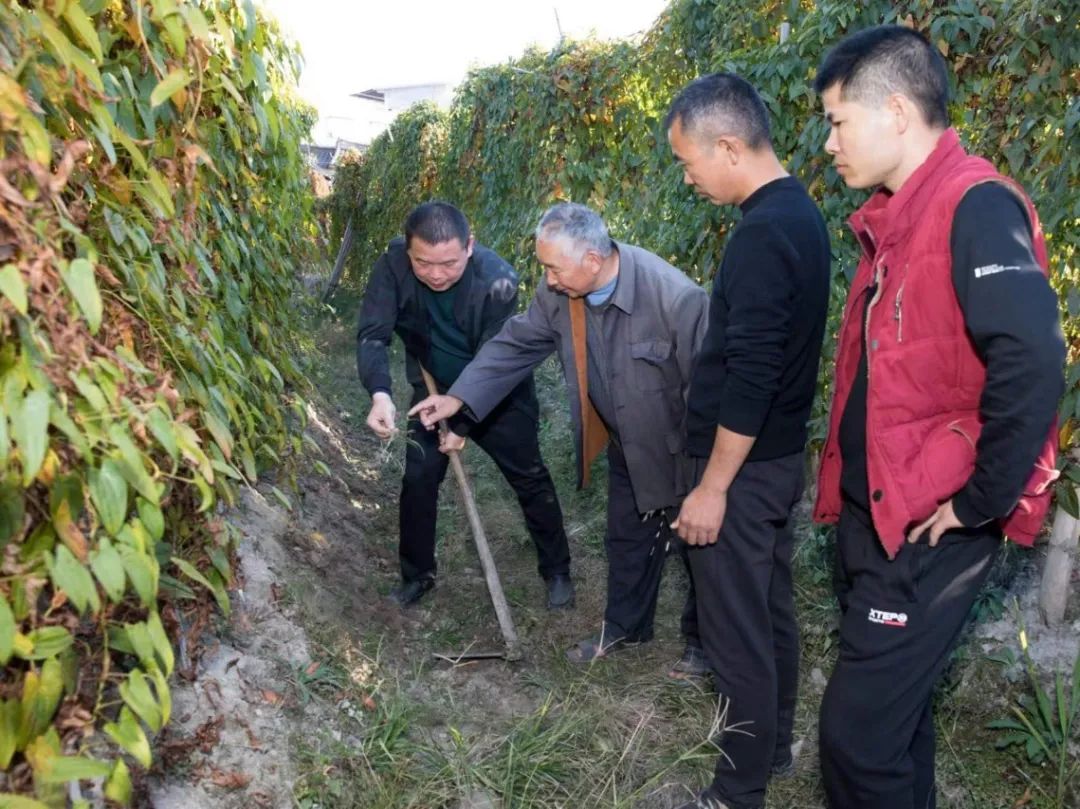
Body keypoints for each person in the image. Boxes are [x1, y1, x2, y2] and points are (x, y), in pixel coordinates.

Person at [811, 25, 1065, 809]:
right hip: (879, 517)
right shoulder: (896, 218)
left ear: (894, 110)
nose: (828, 143)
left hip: (928, 527)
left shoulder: (976, 204)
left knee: (856, 741)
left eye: (838, 121)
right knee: (895, 724)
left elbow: (1034, 356)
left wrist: (979, 501)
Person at [409, 203, 710, 670]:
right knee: (627, 538)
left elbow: (710, 391)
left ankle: (702, 643)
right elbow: (515, 344)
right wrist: (458, 399)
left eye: (553, 267)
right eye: (544, 267)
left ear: (592, 260)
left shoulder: (676, 299)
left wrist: (710, 482)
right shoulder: (561, 296)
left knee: (699, 546)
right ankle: (626, 628)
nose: (547, 279)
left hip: (686, 446)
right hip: (627, 444)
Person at [666, 73, 832, 809]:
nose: (688, 175)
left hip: (742, 467)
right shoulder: (800, 216)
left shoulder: (765, 233)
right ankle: (779, 745)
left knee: (738, 635)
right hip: (773, 462)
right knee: (769, 613)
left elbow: (754, 373)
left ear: (727, 145)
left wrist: (712, 486)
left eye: (687, 159)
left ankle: (738, 790)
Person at [356, 201, 574, 609]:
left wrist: (462, 425)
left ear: (469, 246)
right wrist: (380, 393)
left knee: (529, 477)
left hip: (497, 392)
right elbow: (373, 334)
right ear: (408, 250)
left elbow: (494, 363)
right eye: (424, 263)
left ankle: (557, 570)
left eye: (449, 264)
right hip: (432, 387)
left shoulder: (499, 282)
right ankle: (417, 574)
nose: (436, 274)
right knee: (419, 480)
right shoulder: (391, 267)